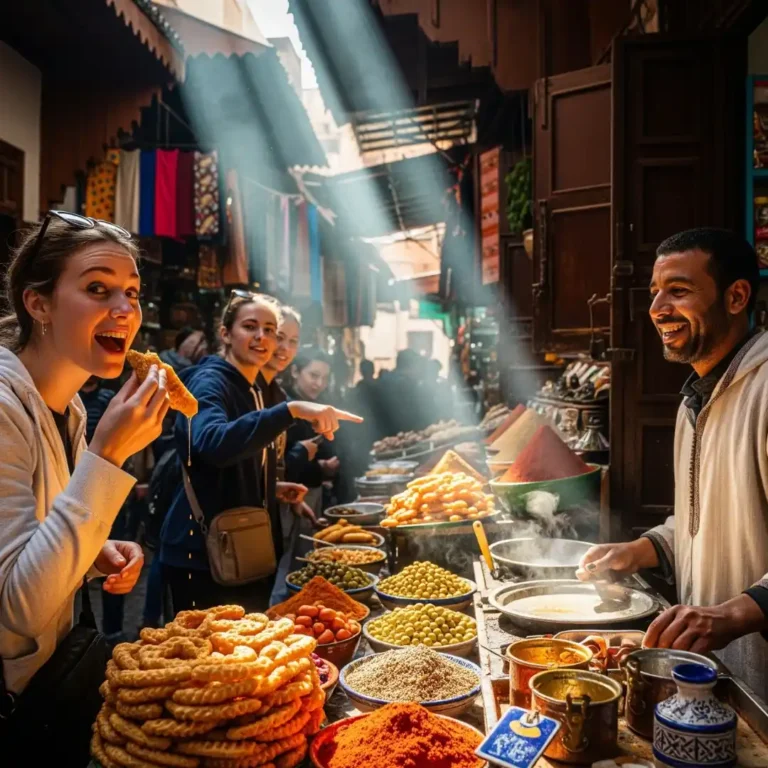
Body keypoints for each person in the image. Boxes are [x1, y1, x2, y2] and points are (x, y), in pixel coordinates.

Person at [0, 211, 168, 761]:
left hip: (55, 680)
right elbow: (19, 609)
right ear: (39, 303)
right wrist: (110, 454)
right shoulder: (3, 408)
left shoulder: (68, 405)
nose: (124, 310)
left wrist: (94, 552)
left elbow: (35, 537)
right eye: (98, 288)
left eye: (132, 293)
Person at [577, 228, 768, 699]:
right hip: (710, 675)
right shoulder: (693, 402)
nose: (658, 309)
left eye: (678, 291)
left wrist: (734, 614)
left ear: (737, 296)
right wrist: (639, 550)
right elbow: (705, 523)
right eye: (655, 293)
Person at [158, 292, 361, 613]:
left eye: (270, 330)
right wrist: (290, 410)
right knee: (210, 659)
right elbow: (213, 444)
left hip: (243, 547)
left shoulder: (253, 386)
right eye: (250, 327)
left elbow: (237, 459)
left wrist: (271, 489)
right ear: (225, 334)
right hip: (202, 554)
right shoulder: (209, 382)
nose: (263, 338)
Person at [258, 307, 322, 605]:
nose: (282, 348)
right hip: (220, 539)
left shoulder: (275, 394)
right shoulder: (223, 385)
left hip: (263, 525)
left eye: (292, 341)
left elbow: (262, 463)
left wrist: (276, 490)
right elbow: (217, 451)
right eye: (277, 336)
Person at [284, 348, 340, 516]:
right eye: (314, 376)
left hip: (315, 490)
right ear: (295, 371)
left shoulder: (320, 403)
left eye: (325, 378)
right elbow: (281, 462)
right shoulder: (283, 405)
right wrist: (318, 465)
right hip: (288, 496)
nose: (319, 384)